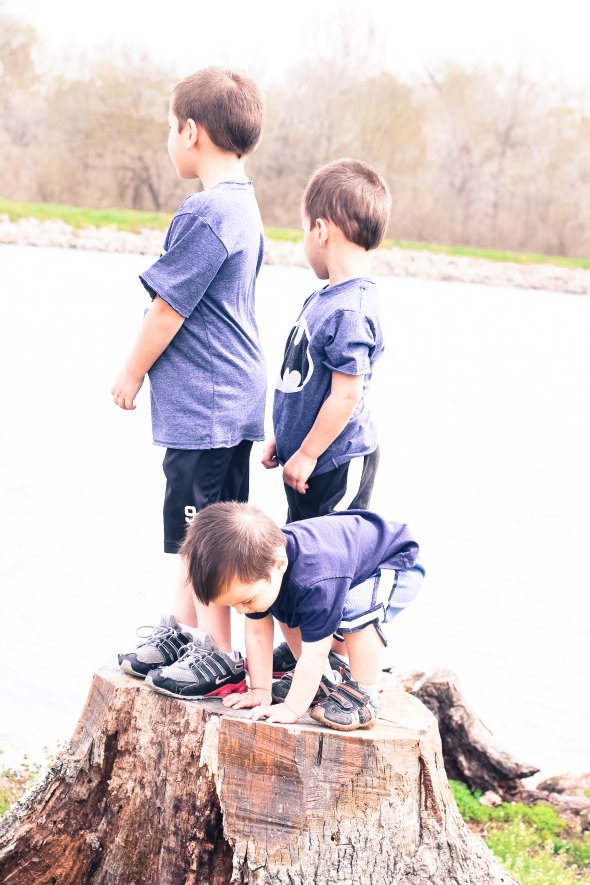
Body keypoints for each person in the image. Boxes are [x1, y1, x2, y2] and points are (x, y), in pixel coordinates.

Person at [112, 67, 266, 698]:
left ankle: (217, 650)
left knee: (203, 530)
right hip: (224, 397)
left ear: (191, 131)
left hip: (208, 402)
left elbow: (167, 310)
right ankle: (182, 627)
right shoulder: (242, 204)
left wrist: (130, 372)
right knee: (193, 524)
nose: (168, 141)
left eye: (169, 129)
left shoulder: (206, 213)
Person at [144, 502, 424, 729]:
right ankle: (323, 681)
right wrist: (261, 691)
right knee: (284, 608)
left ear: (278, 565)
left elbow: (315, 652)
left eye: (246, 601)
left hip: (394, 561)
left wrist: (292, 708)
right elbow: (257, 633)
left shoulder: (316, 581)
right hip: (345, 562)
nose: (244, 610)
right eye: (235, 606)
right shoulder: (260, 571)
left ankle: (365, 694)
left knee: (357, 616)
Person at [262, 157, 391, 524]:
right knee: (301, 549)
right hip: (311, 457)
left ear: (320, 231)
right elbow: (303, 381)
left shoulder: (351, 310)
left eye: (303, 230)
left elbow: (346, 395)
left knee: (328, 555)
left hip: (336, 462)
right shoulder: (326, 298)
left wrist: (307, 453)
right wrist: (288, 440)